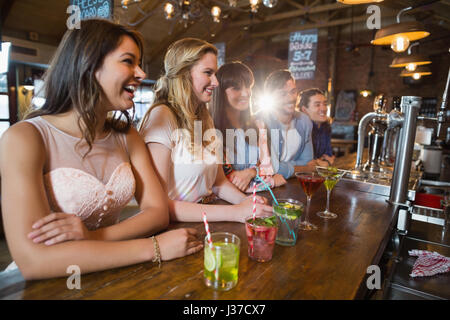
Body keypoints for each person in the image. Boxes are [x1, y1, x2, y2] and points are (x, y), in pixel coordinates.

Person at [0, 19, 202, 280]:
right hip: (46, 284)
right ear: (89, 64)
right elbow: (33, 260)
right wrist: (154, 248)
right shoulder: (26, 137)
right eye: (128, 61)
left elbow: (158, 212)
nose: (141, 74)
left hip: (107, 272)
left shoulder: (126, 134)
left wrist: (92, 236)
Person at [139, 38, 272, 223]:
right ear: (184, 74)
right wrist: (236, 213)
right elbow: (158, 205)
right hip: (175, 228)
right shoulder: (162, 116)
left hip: (208, 219)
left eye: (215, 74)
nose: (216, 82)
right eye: (208, 73)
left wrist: (247, 202)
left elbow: (218, 182)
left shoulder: (204, 117)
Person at [209, 61, 286, 193]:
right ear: (220, 92)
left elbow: (268, 168)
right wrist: (271, 182)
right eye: (236, 88)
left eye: (248, 86)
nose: (246, 93)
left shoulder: (258, 124)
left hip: (259, 200)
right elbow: (227, 184)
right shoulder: (211, 128)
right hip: (225, 206)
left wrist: (251, 172)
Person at [260, 69, 328, 180]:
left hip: (293, 184)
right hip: (263, 189)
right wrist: (303, 168)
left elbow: (308, 161)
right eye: (282, 94)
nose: (291, 98)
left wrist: (284, 166)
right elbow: (269, 168)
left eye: (293, 92)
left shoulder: (304, 121)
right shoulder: (261, 122)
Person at [299, 88, 335, 165]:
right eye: (317, 105)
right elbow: (306, 162)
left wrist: (323, 162)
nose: (324, 108)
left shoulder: (326, 127)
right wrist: (323, 162)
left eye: (325, 104)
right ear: (304, 110)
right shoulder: (300, 129)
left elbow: (329, 155)